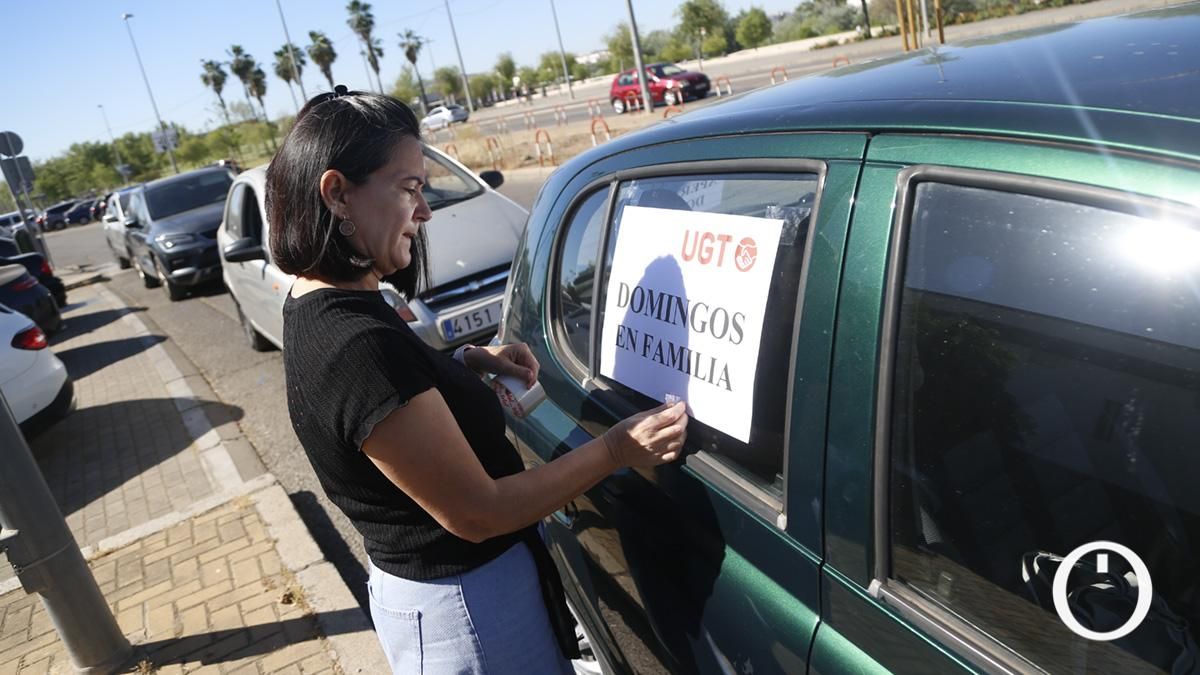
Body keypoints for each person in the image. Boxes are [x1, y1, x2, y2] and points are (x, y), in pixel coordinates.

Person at [266, 85, 689, 674]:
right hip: (469, 614)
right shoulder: (353, 346)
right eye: (409, 188)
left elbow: (389, 402)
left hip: (466, 600)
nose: (425, 210)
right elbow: (479, 512)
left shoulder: (331, 307)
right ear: (337, 194)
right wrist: (616, 448)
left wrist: (467, 363)